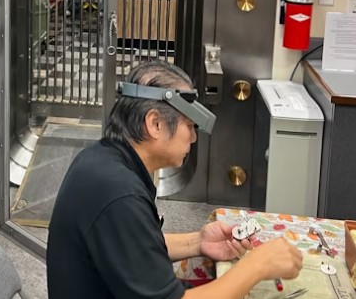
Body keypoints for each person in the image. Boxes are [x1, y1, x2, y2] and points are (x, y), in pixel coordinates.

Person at [47, 60, 303, 299]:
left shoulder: (102, 161)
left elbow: (134, 251)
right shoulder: (119, 195)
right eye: (190, 126)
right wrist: (257, 265)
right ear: (155, 123)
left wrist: (198, 241)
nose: (193, 138)